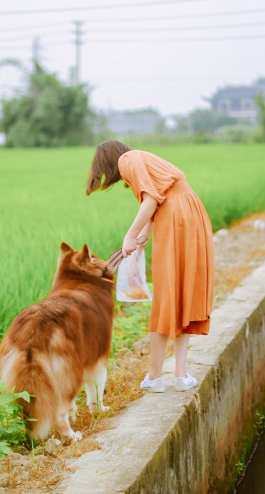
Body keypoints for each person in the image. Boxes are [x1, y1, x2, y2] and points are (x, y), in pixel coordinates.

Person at [86, 140, 214, 393]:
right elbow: (156, 201)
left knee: (168, 295)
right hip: (187, 215)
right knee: (180, 292)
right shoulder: (139, 159)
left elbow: (151, 201)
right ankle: (180, 375)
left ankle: (156, 376)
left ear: (108, 160)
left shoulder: (128, 160)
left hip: (177, 217)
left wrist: (130, 236)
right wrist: (141, 240)